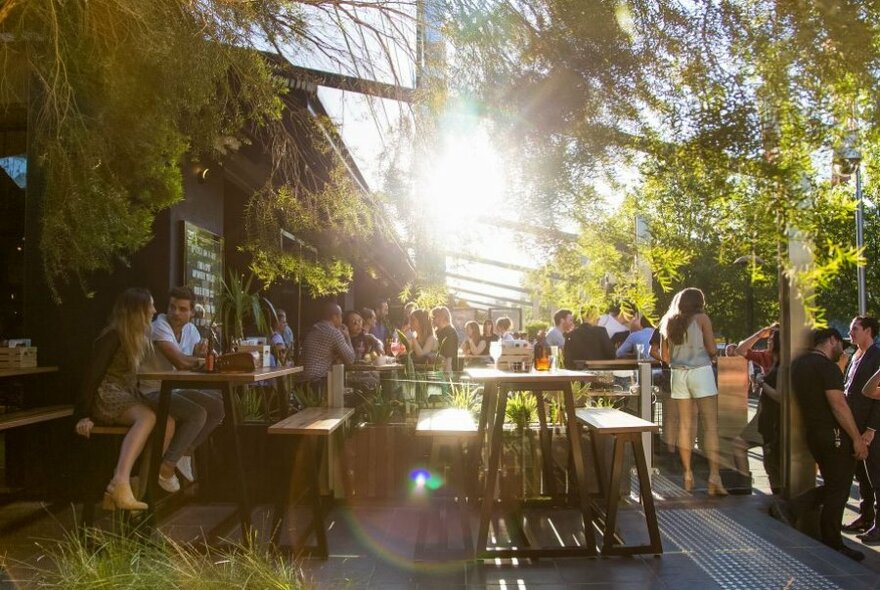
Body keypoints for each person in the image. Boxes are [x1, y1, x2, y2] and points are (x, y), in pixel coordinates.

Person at [74, 288, 169, 511]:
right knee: (147, 418)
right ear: (137, 310)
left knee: (168, 420)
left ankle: (138, 491)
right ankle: (120, 482)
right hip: (106, 395)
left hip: (124, 394)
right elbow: (92, 376)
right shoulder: (113, 335)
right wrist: (82, 415)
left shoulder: (136, 336)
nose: (155, 310)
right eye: (150, 306)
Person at [783, 328, 868, 562]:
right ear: (832, 340)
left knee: (834, 485)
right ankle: (832, 541)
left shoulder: (799, 364)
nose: (844, 349)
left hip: (814, 434)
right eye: (842, 343)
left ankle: (792, 509)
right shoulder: (825, 367)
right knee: (839, 487)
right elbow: (838, 405)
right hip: (833, 435)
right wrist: (857, 438)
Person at [140, 286, 224, 491]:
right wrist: (200, 360)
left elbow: (194, 360)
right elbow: (180, 362)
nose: (176, 313)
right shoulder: (159, 327)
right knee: (197, 414)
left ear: (192, 313)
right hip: (151, 392)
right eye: (173, 307)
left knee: (218, 408)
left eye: (182, 309)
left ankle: (184, 452)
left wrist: (198, 354)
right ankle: (166, 468)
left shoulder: (190, 330)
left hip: (174, 391)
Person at [659, 288, 726, 495]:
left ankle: (687, 474)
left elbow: (663, 355)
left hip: (678, 374)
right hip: (701, 372)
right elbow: (713, 349)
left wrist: (679, 360)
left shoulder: (668, 321)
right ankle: (714, 476)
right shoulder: (702, 319)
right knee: (710, 426)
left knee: (685, 426)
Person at [840, 316, 880, 541]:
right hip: (853, 426)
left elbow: (877, 398)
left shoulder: (877, 356)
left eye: (854, 328)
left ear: (869, 330)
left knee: (876, 476)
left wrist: (872, 428)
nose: (850, 332)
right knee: (863, 477)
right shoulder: (854, 356)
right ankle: (866, 517)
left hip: (870, 429)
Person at [732, 329, 782, 493]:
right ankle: (745, 483)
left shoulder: (784, 363)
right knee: (742, 446)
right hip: (765, 411)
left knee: (771, 458)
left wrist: (762, 383)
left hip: (773, 413)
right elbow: (740, 350)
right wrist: (760, 334)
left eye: (772, 339)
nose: (768, 342)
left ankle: (775, 494)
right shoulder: (767, 357)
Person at [301, 302, 356, 386]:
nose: (342, 320)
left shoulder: (315, 328)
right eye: (341, 316)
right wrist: (347, 337)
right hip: (317, 381)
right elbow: (350, 359)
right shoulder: (334, 333)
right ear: (334, 317)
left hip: (303, 380)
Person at [431, 306, 459, 372]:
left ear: (442, 317)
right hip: (438, 368)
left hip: (447, 369)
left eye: (435, 317)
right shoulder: (437, 331)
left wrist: (447, 374)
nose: (433, 319)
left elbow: (449, 355)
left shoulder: (450, 332)